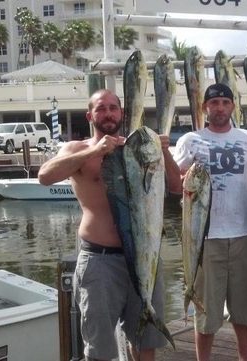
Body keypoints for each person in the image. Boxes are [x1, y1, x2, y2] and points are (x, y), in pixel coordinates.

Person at [37, 89, 182, 361]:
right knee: (99, 347)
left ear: (122, 113)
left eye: (113, 108)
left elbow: (177, 187)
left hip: (144, 259)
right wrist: (97, 149)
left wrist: (165, 152)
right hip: (100, 261)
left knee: (146, 342)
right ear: (89, 115)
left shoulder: (139, 148)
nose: (108, 113)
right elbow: (44, 176)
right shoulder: (77, 149)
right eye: (101, 108)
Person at [173, 83, 247, 361]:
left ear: (233, 106)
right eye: (214, 103)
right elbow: (175, 183)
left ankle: (245, 358)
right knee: (206, 312)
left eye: (225, 102)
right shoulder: (190, 140)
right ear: (205, 107)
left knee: (244, 310)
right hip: (204, 238)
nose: (220, 108)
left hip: (245, 234)